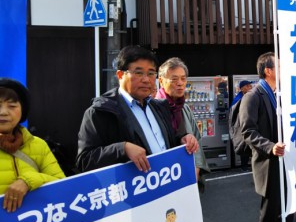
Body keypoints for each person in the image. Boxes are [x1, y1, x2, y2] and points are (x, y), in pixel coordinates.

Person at [76, 46, 199, 173]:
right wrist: (122, 149)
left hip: (165, 184)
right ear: (120, 75)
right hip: (132, 190)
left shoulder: (160, 107)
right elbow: (85, 160)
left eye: (151, 73)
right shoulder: (101, 111)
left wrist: (183, 139)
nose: (146, 79)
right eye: (138, 73)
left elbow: (168, 142)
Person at [237, 52, 296, 222]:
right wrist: (270, 146)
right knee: (269, 214)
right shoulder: (253, 96)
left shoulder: (278, 94)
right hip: (268, 161)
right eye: (280, 66)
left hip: (286, 160)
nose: (285, 70)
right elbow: (247, 131)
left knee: (288, 211)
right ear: (268, 71)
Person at [0, 78, 65, 212]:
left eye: (12, 106)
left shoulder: (38, 145)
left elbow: (62, 184)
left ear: (22, 110)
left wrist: (28, 180)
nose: (3, 112)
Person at [156, 57, 210, 186]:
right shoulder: (153, 108)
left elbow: (197, 138)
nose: (180, 83)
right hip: (164, 177)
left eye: (183, 78)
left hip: (188, 173)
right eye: (174, 79)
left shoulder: (184, 108)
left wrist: (196, 167)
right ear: (161, 81)